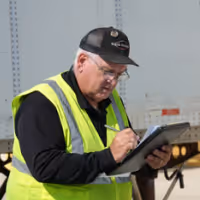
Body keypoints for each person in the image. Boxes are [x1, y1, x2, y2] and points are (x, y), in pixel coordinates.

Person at [6, 27, 172, 200]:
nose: (113, 81)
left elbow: (122, 164)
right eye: (107, 71)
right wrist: (108, 156)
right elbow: (45, 167)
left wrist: (149, 161)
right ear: (82, 61)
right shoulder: (42, 102)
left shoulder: (113, 101)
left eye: (119, 74)